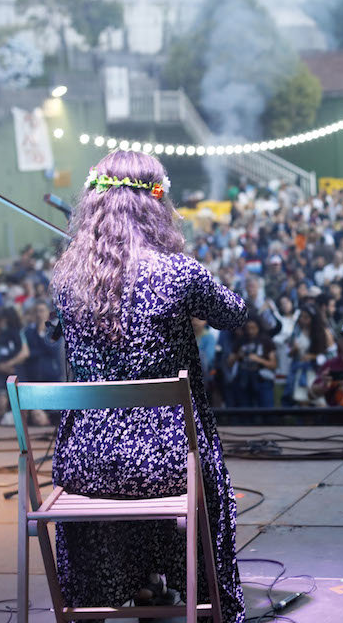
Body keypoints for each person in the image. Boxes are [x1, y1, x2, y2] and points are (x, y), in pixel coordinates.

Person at [47, 150, 248, 618]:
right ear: (156, 204)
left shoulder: (66, 279)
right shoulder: (178, 273)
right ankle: (201, 593)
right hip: (168, 460)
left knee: (132, 460)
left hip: (88, 464)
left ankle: (132, 585)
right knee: (191, 463)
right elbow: (235, 315)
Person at [229, 316, 277, 408]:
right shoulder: (240, 341)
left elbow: (273, 364)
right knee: (245, 411)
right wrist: (238, 356)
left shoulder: (266, 341)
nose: (250, 331)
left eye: (253, 328)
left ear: (259, 327)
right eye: (248, 328)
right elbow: (229, 363)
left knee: (266, 410)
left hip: (262, 380)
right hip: (244, 381)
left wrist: (258, 360)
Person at [311, 321, 343, 407]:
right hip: (335, 417)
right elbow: (310, 394)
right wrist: (323, 386)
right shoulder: (329, 365)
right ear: (339, 341)